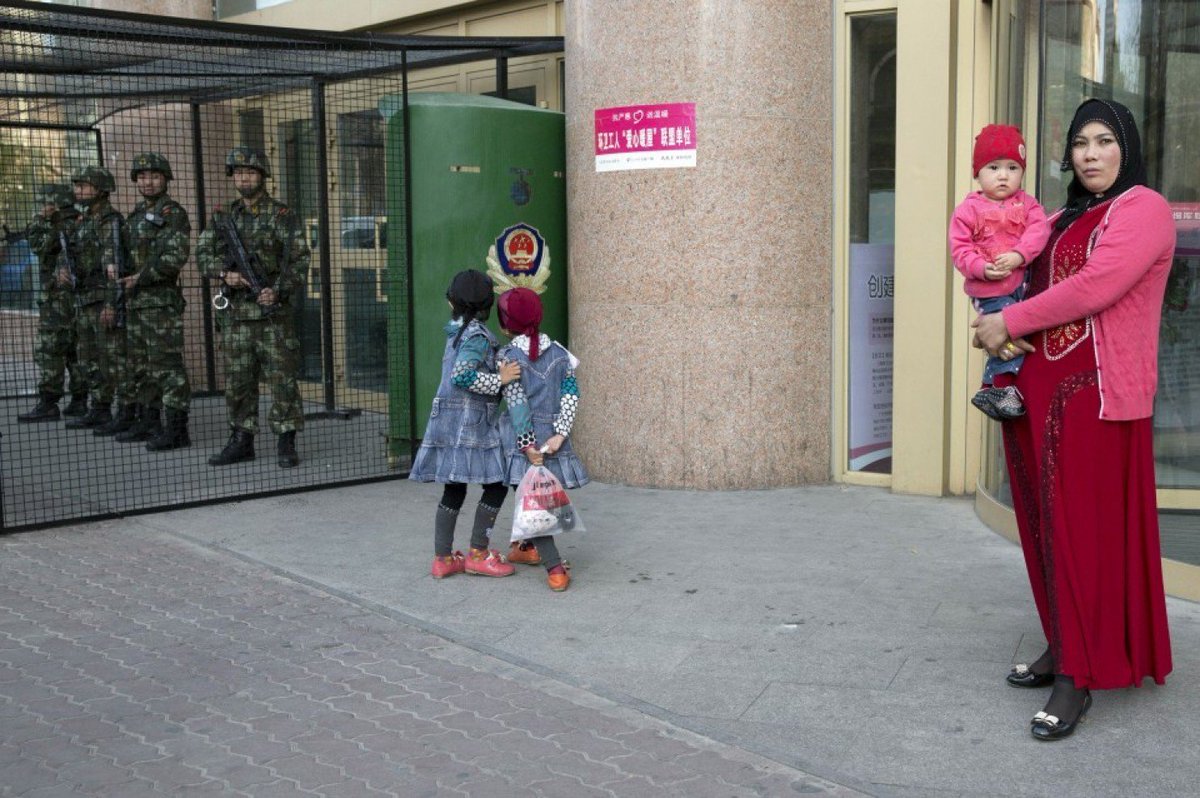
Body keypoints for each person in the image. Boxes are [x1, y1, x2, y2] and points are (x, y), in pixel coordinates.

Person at [973, 98, 1174, 741]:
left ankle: (1077, 678)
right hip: (1037, 392)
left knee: (1081, 535)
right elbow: (1013, 273)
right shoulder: (1057, 216)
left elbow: (1097, 284)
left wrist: (1008, 321)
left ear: (1126, 147)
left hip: (1095, 396)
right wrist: (989, 303)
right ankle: (1064, 644)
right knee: (1044, 528)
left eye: (1104, 141)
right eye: (1080, 143)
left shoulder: (1143, 208)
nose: (1090, 154)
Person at [196, 147, 309, 468]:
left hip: (273, 315)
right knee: (238, 382)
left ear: (262, 175)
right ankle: (241, 440)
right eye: (238, 173)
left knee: (282, 381)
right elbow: (203, 254)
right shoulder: (223, 216)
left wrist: (278, 290)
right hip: (236, 316)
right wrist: (225, 273)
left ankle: (286, 441)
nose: (244, 178)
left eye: (250, 172)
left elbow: (299, 260)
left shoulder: (282, 215)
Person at [410, 269, 521, 579]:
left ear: (452, 302)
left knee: (454, 489)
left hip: (449, 422)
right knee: (496, 485)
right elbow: (462, 376)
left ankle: (443, 558)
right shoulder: (476, 337)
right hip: (472, 424)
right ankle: (478, 554)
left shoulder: (457, 332)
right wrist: (500, 379)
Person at [949, 124, 1050, 420]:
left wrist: (1019, 255)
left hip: (1022, 285)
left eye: (1012, 168)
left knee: (1019, 333)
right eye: (993, 167)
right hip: (990, 290)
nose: (1003, 175)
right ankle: (997, 388)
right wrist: (981, 268)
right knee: (1007, 332)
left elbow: (1039, 231)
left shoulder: (1028, 205)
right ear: (977, 173)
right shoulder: (968, 210)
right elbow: (960, 249)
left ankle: (998, 388)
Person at [495, 287, 587, 592]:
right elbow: (571, 394)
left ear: (506, 325)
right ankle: (525, 546)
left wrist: (527, 445)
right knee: (536, 499)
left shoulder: (508, 356)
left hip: (523, 442)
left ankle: (555, 569)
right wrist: (560, 433)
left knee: (534, 505)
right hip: (552, 438)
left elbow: (517, 402)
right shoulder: (560, 354)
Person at [117, 152, 193, 451]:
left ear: (165, 179)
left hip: (160, 303)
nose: (148, 182)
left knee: (167, 366)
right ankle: (149, 422)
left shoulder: (173, 213)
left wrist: (141, 277)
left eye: (154, 176)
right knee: (141, 366)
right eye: (142, 177)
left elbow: (175, 257)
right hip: (135, 302)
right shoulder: (136, 214)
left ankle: (177, 430)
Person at [63, 166, 126, 433]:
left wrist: (112, 304)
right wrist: (61, 271)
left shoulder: (109, 221)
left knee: (112, 359)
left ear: (100, 189)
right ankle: (99, 408)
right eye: (77, 186)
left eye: (84, 186)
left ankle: (125, 412)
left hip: (102, 299)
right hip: (84, 299)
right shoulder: (83, 221)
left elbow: (114, 266)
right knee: (88, 357)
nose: (78, 191)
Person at [18, 184, 86, 422]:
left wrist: (39, 219)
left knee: (50, 349)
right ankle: (80, 400)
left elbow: (39, 245)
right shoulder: (79, 221)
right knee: (74, 348)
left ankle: (48, 403)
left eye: (44, 203)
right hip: (75, 298)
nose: (41, 207)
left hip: (57, 299)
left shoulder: (59, 224)